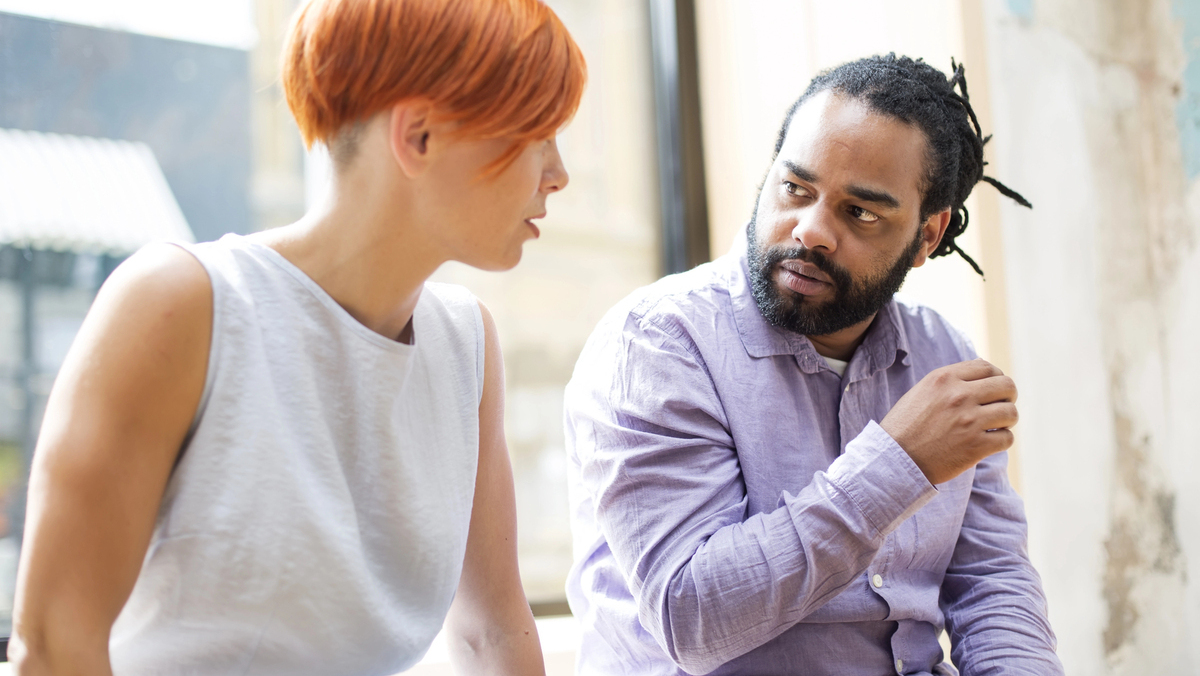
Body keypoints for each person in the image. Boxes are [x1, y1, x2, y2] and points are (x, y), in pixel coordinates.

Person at [9, 0, 585, 674]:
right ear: (419, 136)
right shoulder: (180, 305)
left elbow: (489, 632)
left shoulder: (466, 345)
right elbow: (52, 648)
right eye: (537, 131)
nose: (559, 172)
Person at [564, 55, 1063, 676]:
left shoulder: (944, 357)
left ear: (927, 238)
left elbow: (992, 581)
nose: (811, 231)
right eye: (795, 189)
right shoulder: (658, 344)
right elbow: (690, 617)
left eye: (861, 213)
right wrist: (900, 463)